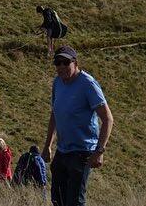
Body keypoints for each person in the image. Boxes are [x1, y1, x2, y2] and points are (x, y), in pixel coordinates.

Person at [42, 46, 113, 206]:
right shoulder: (57, 83)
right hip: (62, 150)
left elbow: (107, 118)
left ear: (75, 63)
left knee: (74, 201)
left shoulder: (88, 84)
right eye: (57, 63)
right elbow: (55, 114)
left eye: (65, 62)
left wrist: (100, 150)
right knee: (57, 199)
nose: (61, 67)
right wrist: (47, 146)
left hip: (82, 152)